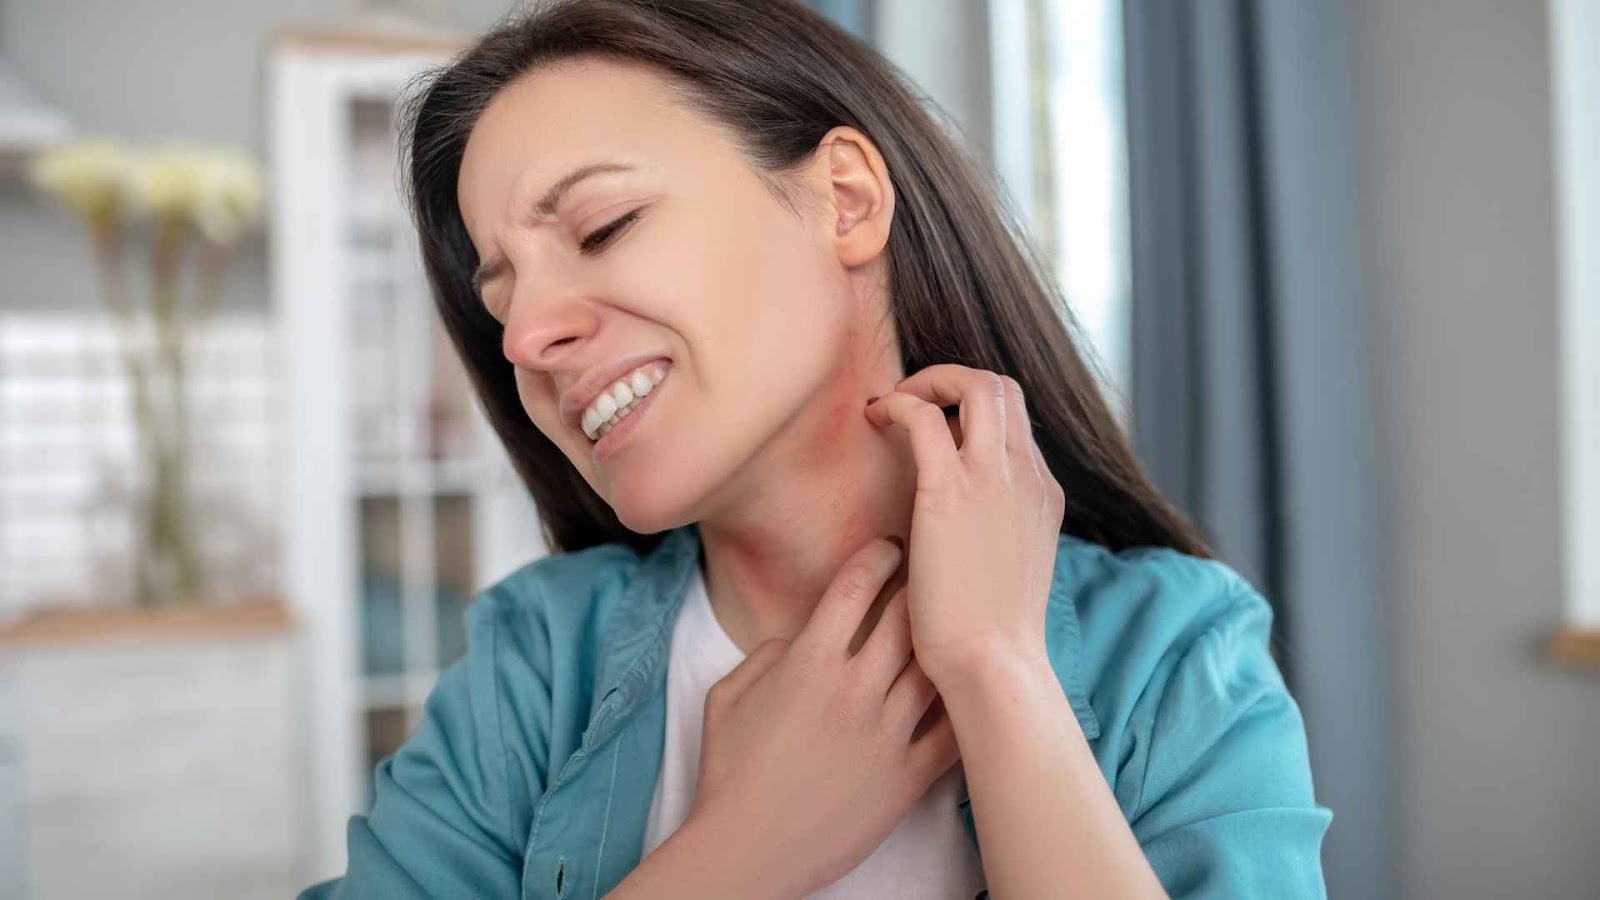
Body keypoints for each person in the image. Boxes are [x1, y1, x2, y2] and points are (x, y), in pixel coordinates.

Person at [299, 0, 1332, 897]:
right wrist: (735, 856)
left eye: (602, 226)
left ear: (845, 199)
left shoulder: (1173, 656)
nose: (525, 337)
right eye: (502, 297)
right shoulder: (536, 663)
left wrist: (997, 671)